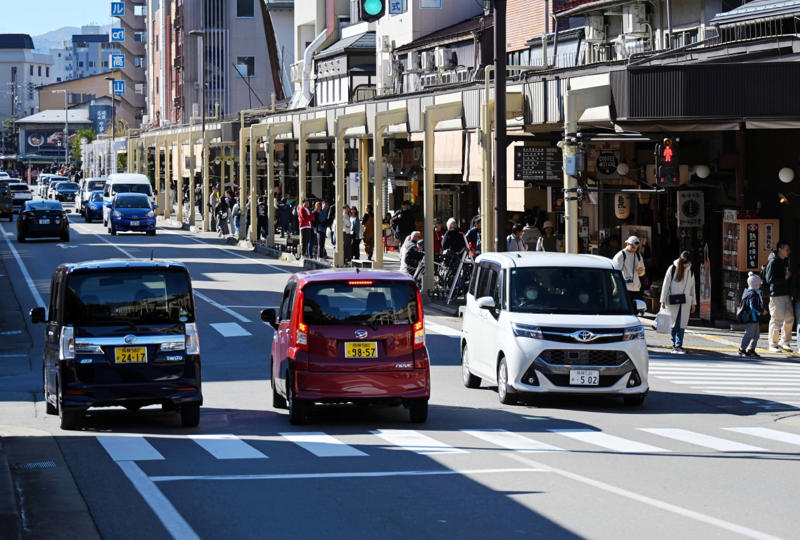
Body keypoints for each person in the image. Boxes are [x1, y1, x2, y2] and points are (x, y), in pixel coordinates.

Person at [659, 251, 697, 354]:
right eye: (686, 263)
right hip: (672, 301)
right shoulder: (672, 269)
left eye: (689, 263)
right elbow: (665, 285)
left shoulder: (691, 271)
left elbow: (692, 287)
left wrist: (693, 303)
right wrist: (662, 300)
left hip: (685, 302)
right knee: (673, 324)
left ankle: (678, 345)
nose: (688, 265)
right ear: (681, 261)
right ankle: (674, 344)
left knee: (682, 324)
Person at [764, 241, 794, 353]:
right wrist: (785, 278)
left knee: (789, 318)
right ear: (780, 249)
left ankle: (784, 342)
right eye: (787, 249)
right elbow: (769, 280)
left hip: (785, 293)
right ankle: (773, 343)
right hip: (776, 294)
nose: (788, 252)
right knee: (777, 319)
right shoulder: (773, 261)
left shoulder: (785, 261)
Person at [739, 272, 767, 357]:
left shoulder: (748, 292)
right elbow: (753, 306)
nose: (760, 285)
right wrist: (762, 311)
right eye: (759, 284)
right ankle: (742, 349)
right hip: (752, 317)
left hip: (753, 317)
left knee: (756, 335)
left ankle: (751, 349)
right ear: (755, 284)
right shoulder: (752, 294)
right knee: (749, 334)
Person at [612, 236, 647, 301]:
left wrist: (641, 272)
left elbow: (642, 273)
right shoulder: (621, 255)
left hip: (636, 289)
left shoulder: (638, 255)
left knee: (636, 309)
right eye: (633, 247)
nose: (634, 250)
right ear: (628, 244)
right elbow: (614, 272)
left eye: (636, 248)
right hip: (625, 288)